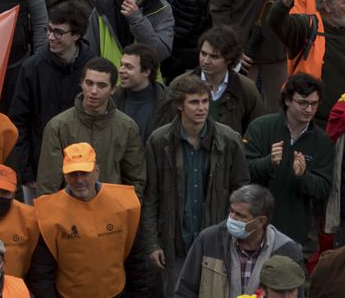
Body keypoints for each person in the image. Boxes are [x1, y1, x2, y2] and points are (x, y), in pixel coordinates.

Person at [141, 74, 248, 294]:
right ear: (179, 105)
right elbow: (150, 197)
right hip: (175, 245)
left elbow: (242, 191)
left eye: (205, 101)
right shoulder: (159, 141)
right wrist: (152, 244)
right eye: (194, 102)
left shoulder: (228, 140)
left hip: (217, 244)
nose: (201, 108)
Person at [28, 143, 150, 298]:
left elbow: (136, 261)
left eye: (85, 173)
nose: (79, 180)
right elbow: (42, 272)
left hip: (117, 293)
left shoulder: (124, 204)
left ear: (97, 171)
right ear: (65, 176)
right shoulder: (50, 213)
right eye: (73, 174)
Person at [8, 1, 94, 193]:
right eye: (49, 30)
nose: (50, 37)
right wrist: (26, 172)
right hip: (41, 170)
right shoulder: (32, 68)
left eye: (58, 32)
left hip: (83, 170)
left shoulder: (92, 68)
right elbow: (18, 122)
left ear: (76, 36)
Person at [243, 73, 333, 244]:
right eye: (303, 103)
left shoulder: (323, 142)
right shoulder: (260, 127)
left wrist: (303, 176)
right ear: (287, 100)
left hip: (297, 235)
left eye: (314, 104)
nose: (309, 109)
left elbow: (324, 189)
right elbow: (242, 172)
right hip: (255, 226)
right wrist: (268, 163)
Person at [36, 58, 146, 195]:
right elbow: (48, 183)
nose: (93, 91)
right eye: (89, 83)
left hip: (111, 206)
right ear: (81, 82)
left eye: (101, 85)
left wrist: (126, 208)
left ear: (113, 89)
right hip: (69, 206)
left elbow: (136, 181)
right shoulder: (58, 127)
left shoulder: (127, 127)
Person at [173, 184, 304, 297]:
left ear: (260, 221)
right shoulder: (209, 240)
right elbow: (185, 290)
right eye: (231, 211)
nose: (232, 218)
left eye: (240, 215)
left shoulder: (287, 251)